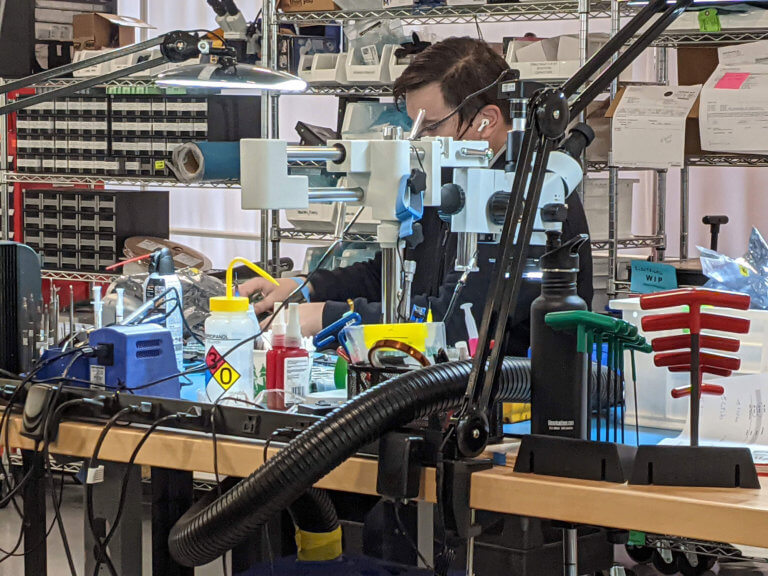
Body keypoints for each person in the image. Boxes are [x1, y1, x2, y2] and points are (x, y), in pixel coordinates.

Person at [239, 37, 593, 357]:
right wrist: (307, 287)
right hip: (437, 383)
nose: (417, 140)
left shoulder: (533, 196)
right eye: (413, 126)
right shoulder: (450, 175)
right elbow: (393, 275)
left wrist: (327, 316)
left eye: (431, 126)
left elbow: (458, 320)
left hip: (511, 400)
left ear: (486, 120)